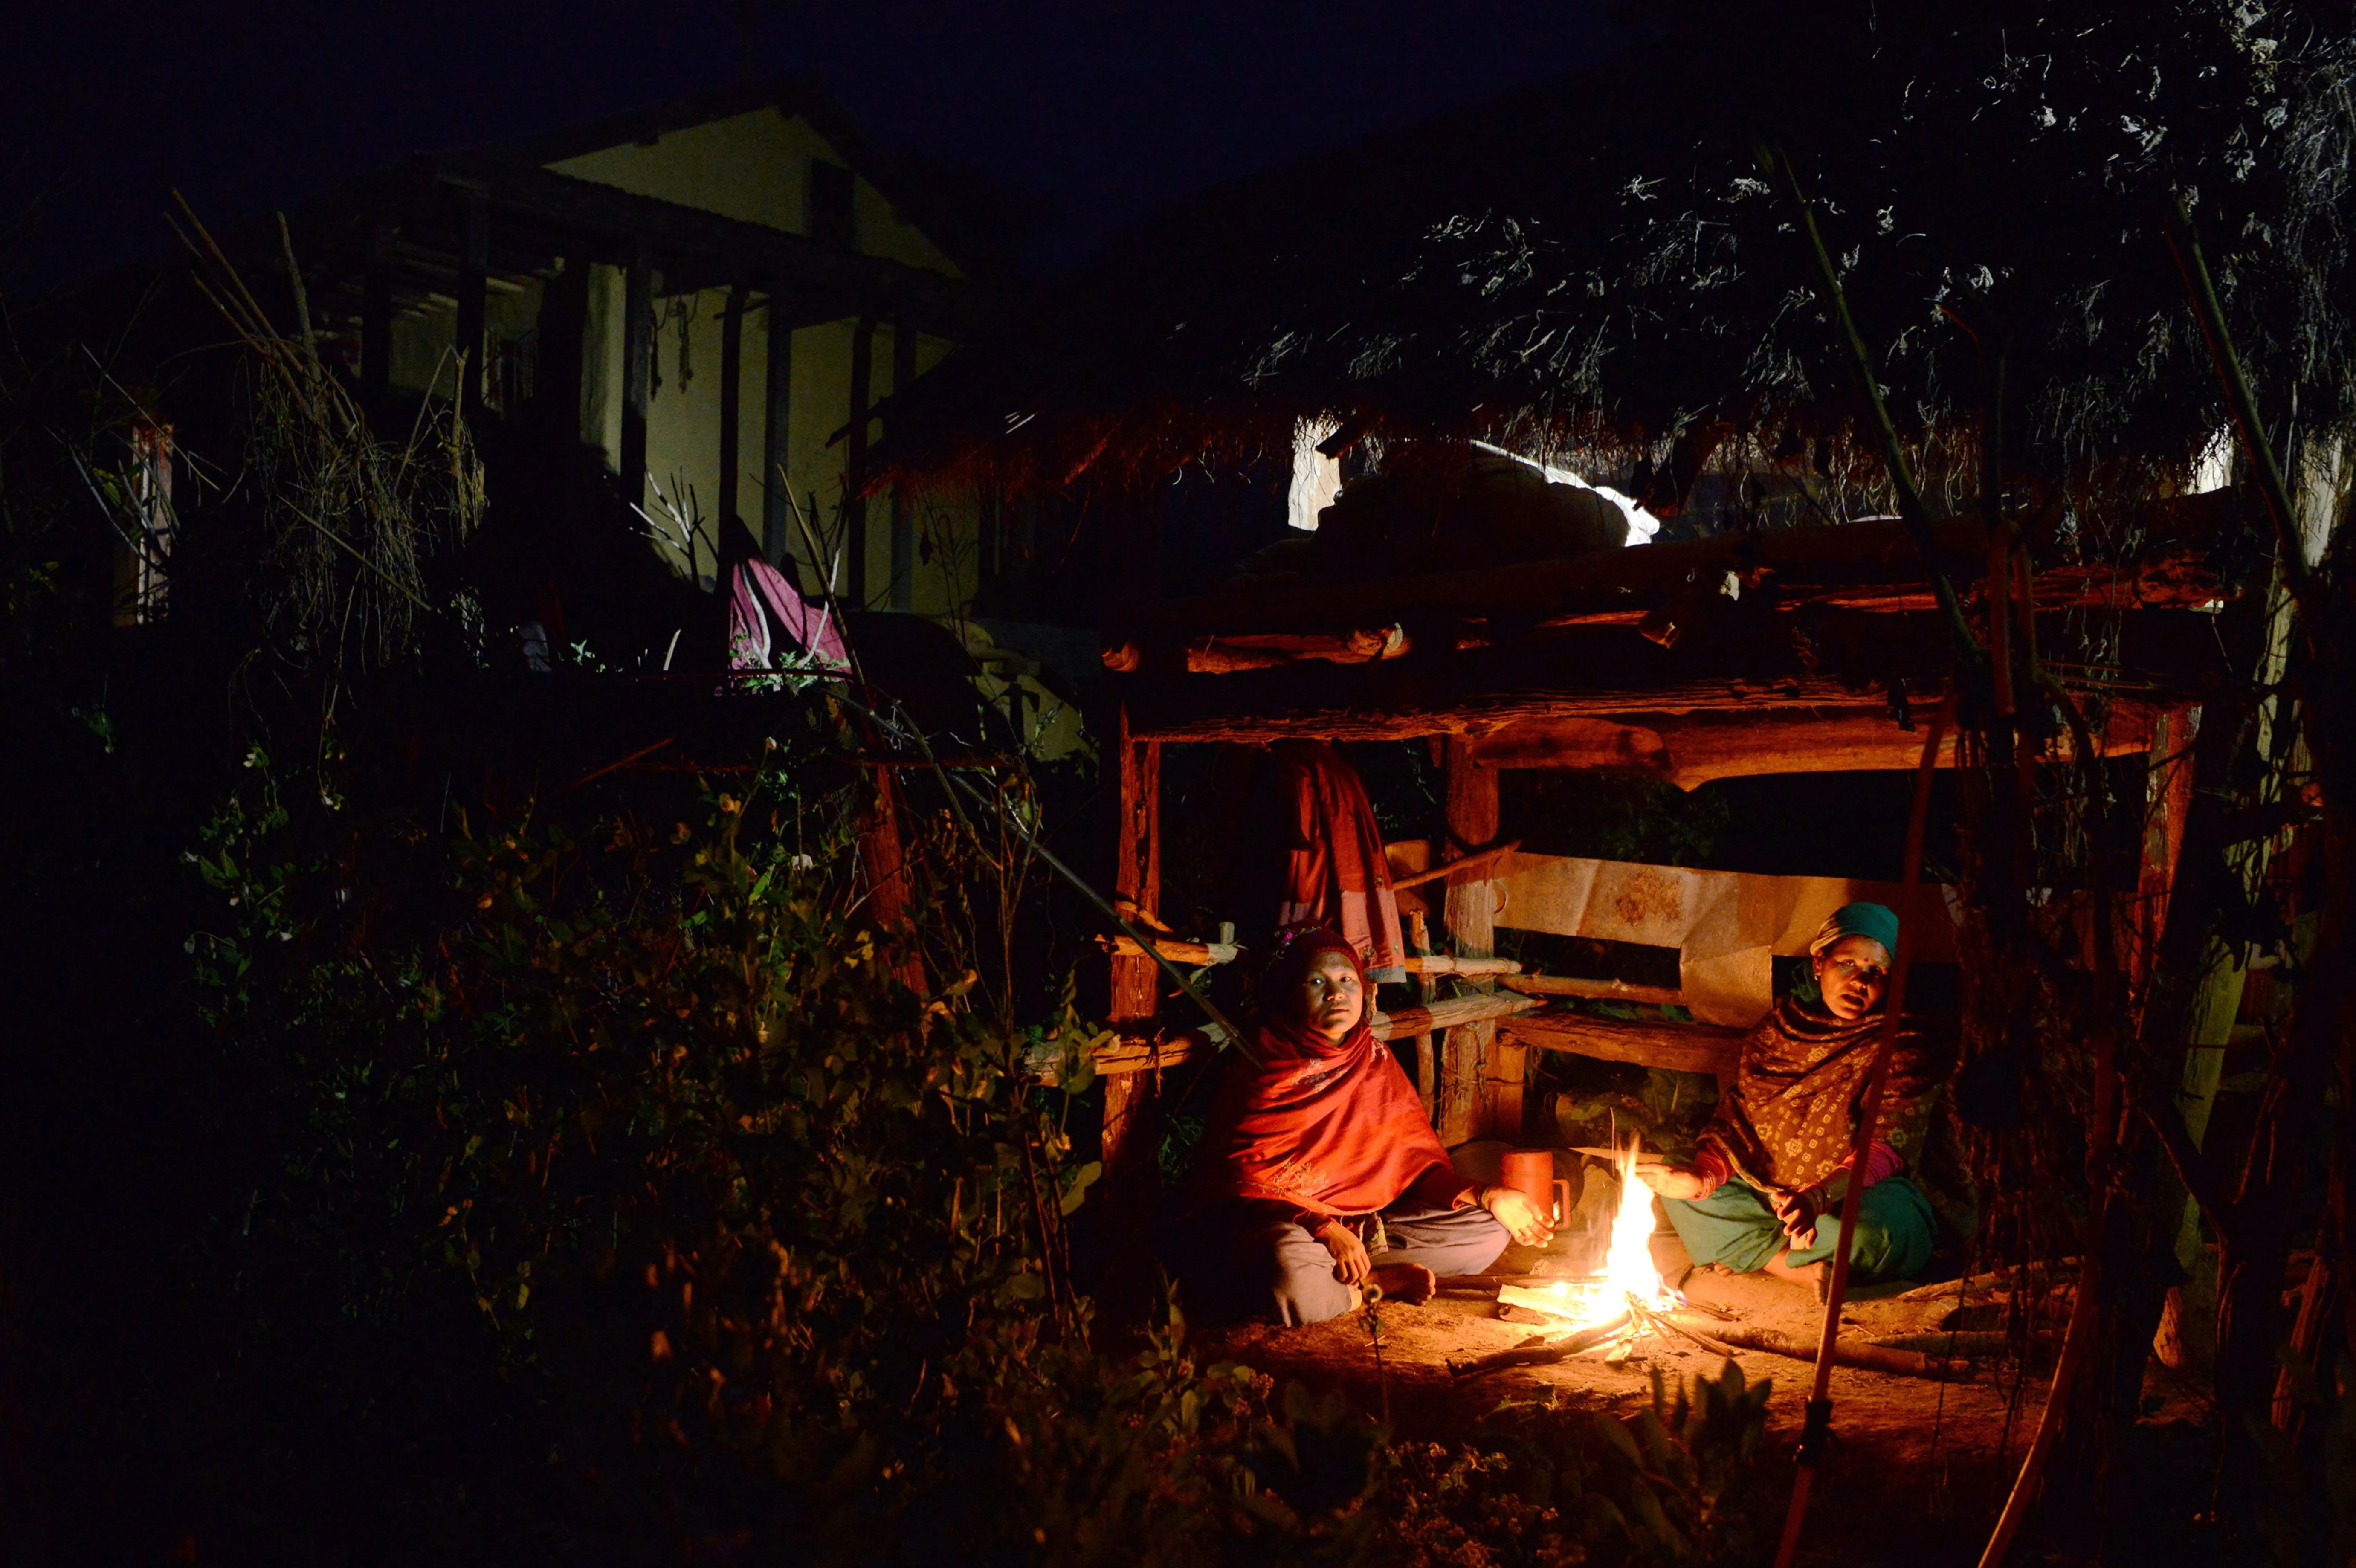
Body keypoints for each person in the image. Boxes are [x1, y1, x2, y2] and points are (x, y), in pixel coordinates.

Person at [1181, 928, 1555, 1326]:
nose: (1335, 993)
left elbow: (1415, 1168)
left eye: (1347, 980)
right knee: (1286, 1272)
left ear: (1363, 991)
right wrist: (1322, 1227)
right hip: (1292, 1234)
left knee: (1488, 1231)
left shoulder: (1373, 1058)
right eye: (1316, 981)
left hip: (1365, 1234)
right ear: (1290, 993)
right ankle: (1370, 1285)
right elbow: (1237, 1186)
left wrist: (1486, 1195)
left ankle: (1358, 1271)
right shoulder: (1265, 1064)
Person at [1637, 902, 1939, 1291]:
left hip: (1845, 1200)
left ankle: (1755, 1254)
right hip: (1766, 1193)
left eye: (1875, 972)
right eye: (1847, 964)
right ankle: (1791, 1265)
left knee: (1879, 1233)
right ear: (1819, 963)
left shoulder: (1903, 1043)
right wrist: (1702, 1178)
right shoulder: (1776, 1033)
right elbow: (1739, 1123)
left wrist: (1816, 1199)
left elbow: (1887, 1148)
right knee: (1679, 1177)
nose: (1860, 982)